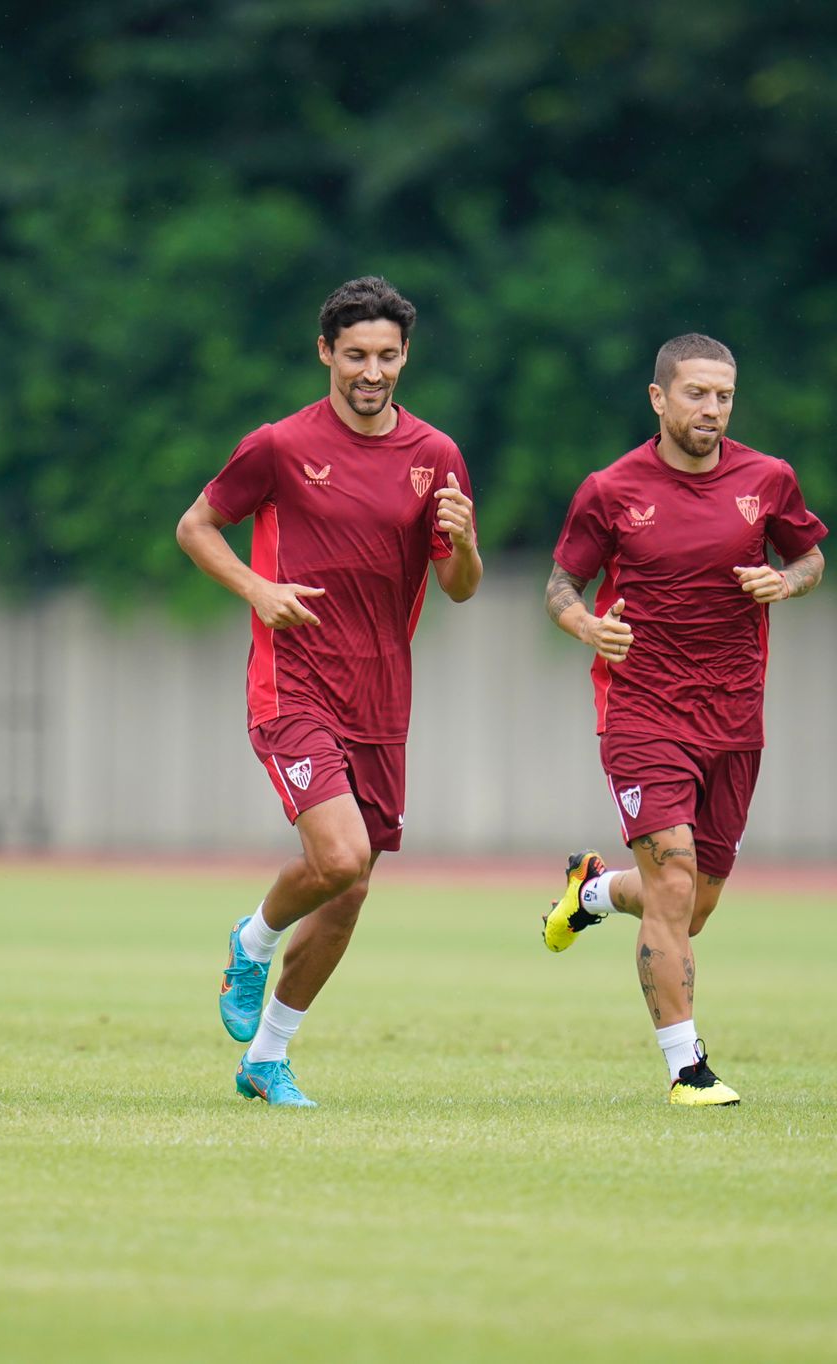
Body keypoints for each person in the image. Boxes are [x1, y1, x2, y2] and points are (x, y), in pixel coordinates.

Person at [177, 275, 480, 1108]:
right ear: (326, 354)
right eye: (355, 355)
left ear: (405, 356)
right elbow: (195, 526)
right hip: (294, 682)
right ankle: (252, 938)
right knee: (338, 856)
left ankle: (267, 1059)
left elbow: (459, 586)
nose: (371, 370)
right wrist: (256, 590)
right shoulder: (278, 445)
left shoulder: (437, 456)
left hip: (382, 695)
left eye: (386, 355)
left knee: (350, 893)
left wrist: (460, 543)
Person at [539, 334, 827, 1107]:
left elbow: (811, 558)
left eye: (724, 395)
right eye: (696, 393)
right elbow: (562, 584)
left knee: (692, 906)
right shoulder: (611, 489)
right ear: (659, 398)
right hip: (641, 711)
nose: (712, 409)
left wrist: (785, 582)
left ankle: (593, 892)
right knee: (672, 885)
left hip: (734, 717)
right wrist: (587, 629)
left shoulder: (769, 479)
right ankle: (687, 1069)